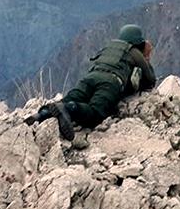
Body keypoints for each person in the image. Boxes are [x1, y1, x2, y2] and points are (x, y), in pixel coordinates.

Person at [25, 24, 155, 139]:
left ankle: (41, 115)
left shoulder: (110, 46)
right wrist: (146, 57)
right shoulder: (134, 52)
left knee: (72, 97)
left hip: (90, 77)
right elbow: (150, 80)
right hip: (110, 82)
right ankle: (70, 108)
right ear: (138, 41)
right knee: (95, 113)